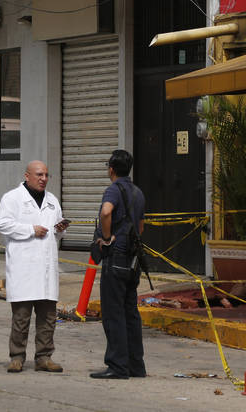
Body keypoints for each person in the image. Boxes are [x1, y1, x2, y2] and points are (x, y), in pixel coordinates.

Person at [0, 160, 68, 373]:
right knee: (21, 317)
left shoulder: (52, 200)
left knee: (48, 317)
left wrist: (60, 228)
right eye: (39, 175)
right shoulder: (12, 198)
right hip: (24, 268)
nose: (43, 179)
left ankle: (44, 357)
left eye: (46, 175)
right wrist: (30, 229)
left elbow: (56, 233)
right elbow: (3, 224)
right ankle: (17, 357)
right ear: (27, 176)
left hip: (46, 268)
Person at [89, 149, 146, 380]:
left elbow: (106, 212)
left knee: (113, 313)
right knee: (130, 312)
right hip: (133, 259)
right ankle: (136, 365)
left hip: (116, 257)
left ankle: (117, 366)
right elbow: (141, 227)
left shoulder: (113, 189)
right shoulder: (138, 192)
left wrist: (106, 237)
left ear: (111, 169)